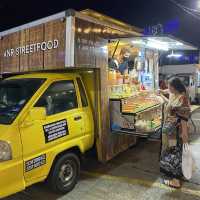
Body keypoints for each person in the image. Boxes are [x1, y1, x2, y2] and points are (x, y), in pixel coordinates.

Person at [159, 77, 191, 188]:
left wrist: (185, 135)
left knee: (174, 153)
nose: (167, 88)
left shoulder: (183, 99)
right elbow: (171, 107)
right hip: (172, 132)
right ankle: (178, 175)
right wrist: (162, 95)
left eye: (169, 86)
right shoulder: (176, 95)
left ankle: (175, 181)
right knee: (173, 152)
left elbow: (183, 119)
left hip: (177, 133)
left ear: (174, 87)